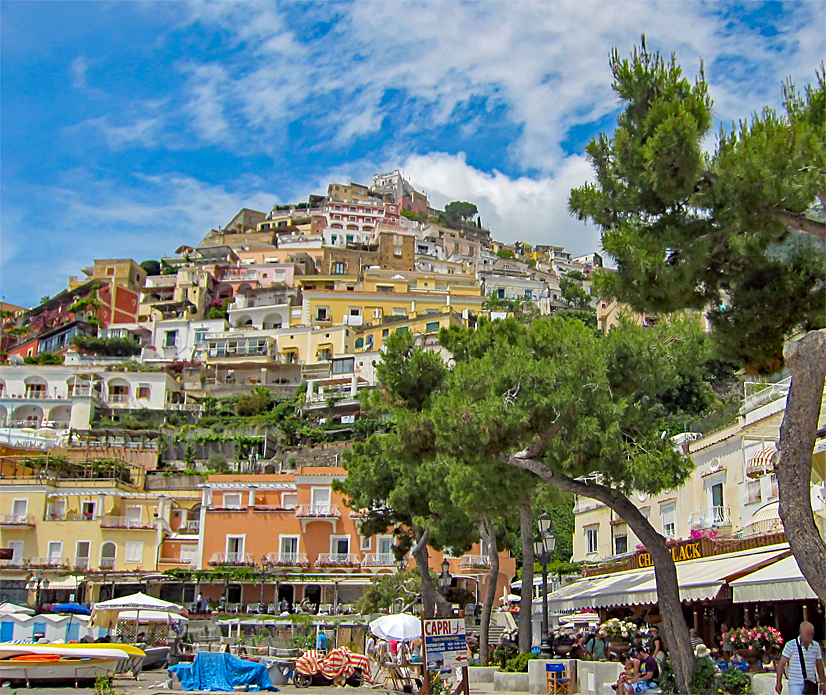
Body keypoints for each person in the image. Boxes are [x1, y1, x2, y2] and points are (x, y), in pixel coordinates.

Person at [775, 621, 825, 695]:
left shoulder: (816, 646)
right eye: (808, 634)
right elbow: (781, 664)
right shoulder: (791, 645)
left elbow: (819, 665)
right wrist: (779, 682)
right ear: (801, 633)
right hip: (795, 684)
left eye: (812, 634)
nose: (810, 636)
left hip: (811, 683)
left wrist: (822, 683)